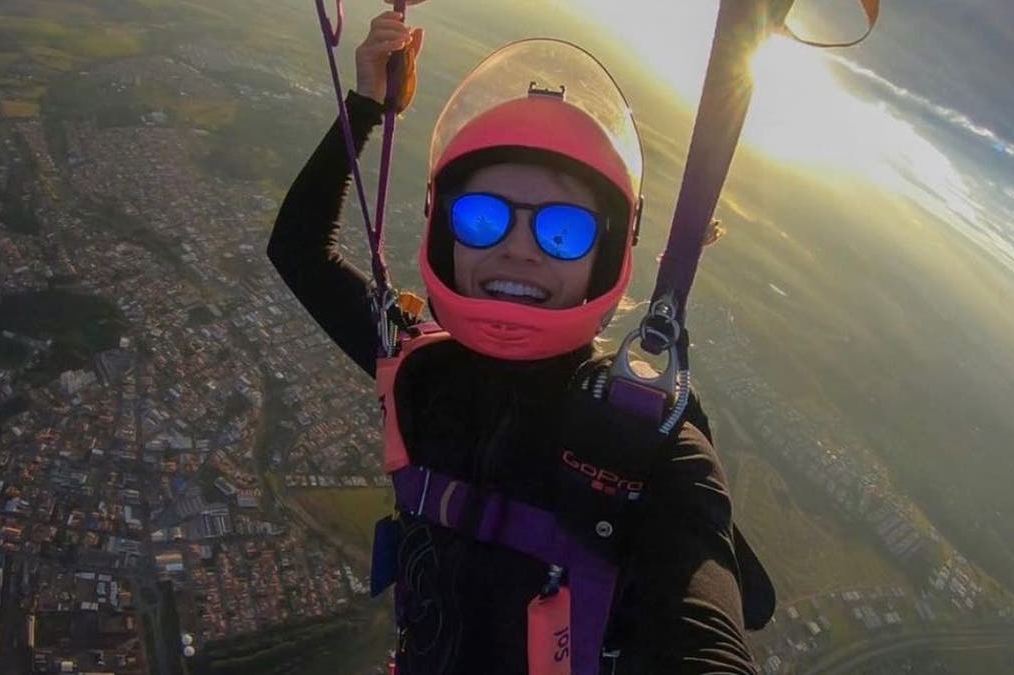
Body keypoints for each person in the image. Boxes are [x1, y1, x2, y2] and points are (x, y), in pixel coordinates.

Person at [268, 10, 762, 674]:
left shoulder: (651, 446)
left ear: (605, 254)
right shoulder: (419, 369)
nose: (518, 249)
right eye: (482, 217)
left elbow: (704, 640)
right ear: (446, 234)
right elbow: (298, 249)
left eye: (564, 230)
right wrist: (364, 104)